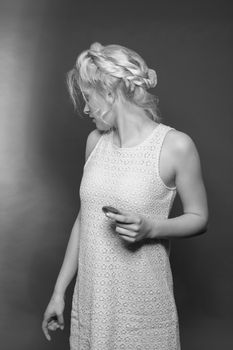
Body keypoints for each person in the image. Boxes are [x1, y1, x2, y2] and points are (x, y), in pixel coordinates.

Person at [42, 42, 209, 350]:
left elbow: (199, 218)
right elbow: (85, 219)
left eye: (88, 97)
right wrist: (58, 292)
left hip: (142, 309)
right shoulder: (95, 142)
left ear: (109, 92)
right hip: (92, 305)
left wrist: (152, 228)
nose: (87, 109)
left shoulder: (175, 146)